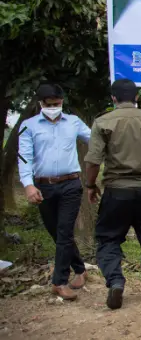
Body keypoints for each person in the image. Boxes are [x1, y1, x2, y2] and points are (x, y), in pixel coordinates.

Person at [84, 79, 141, 310]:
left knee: (108, 238)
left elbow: (93, 160)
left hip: (116, 191)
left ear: (113, 98)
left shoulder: (102, 122)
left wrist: (90, 185)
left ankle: (116, 280)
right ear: (137, 97)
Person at [17, 83, 91, 300]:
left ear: (62, 102)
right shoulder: (28, 126)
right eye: (49, 105)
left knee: (64, 232)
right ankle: (80, 268)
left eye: (57, 104)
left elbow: (95, 139)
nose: (53, 108)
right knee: (57, 233)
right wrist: (28, 184)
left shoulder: (73, 122)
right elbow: (24, 157)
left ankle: (59, 281)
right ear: (41, 104)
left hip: (70, 184)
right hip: (43, 186)